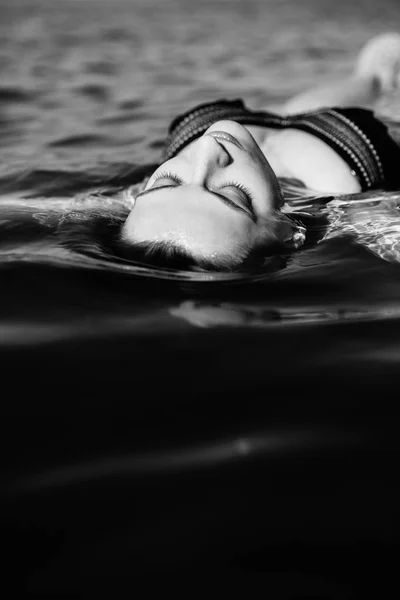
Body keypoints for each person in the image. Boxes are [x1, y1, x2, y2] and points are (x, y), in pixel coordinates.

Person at [120, 32, 400, 273]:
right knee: (376, 73)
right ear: (286, 235)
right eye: (232, 194)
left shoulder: (128, 203)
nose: (207, 147)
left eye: (167, 181)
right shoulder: (357, 213)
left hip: (288, 120)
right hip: (355, 126)